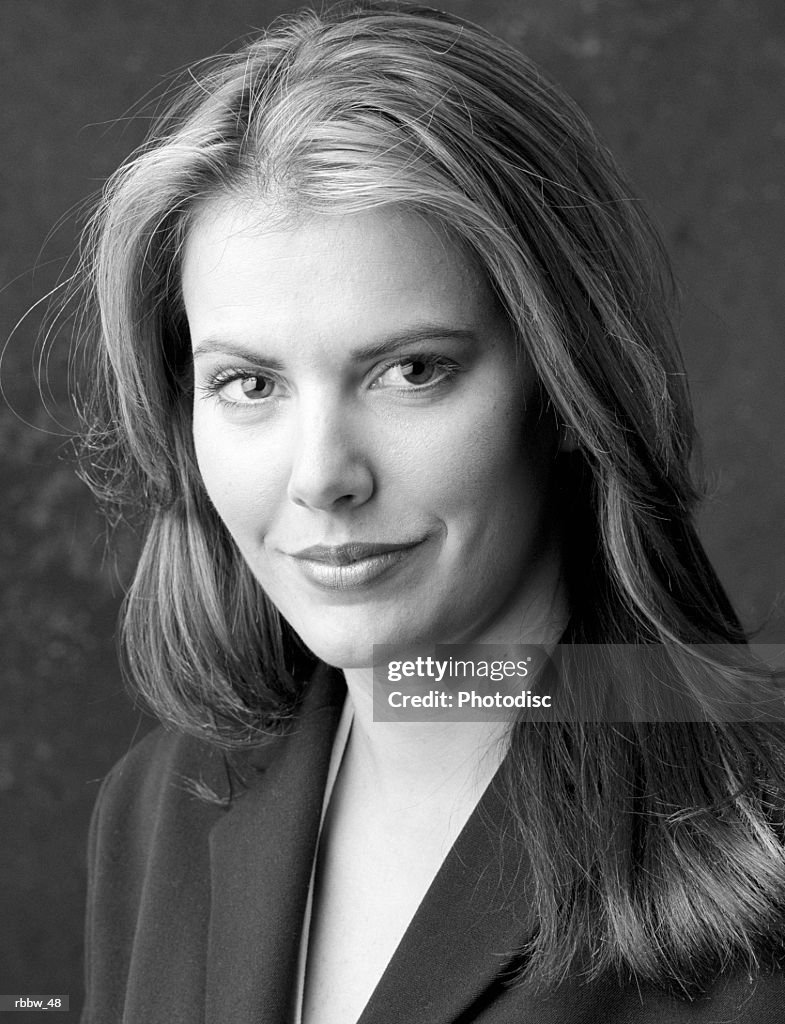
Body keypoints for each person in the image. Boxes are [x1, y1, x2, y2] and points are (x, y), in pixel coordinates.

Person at [74, 2, 785, 1021]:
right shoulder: (156, 809)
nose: (321, 477)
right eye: (249, 384)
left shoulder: (763, 832)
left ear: (564, 383)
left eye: (411, 370)